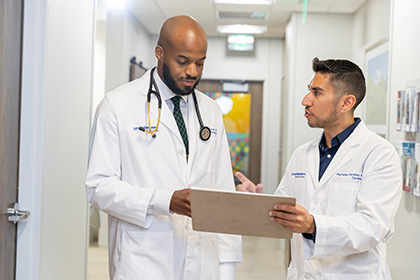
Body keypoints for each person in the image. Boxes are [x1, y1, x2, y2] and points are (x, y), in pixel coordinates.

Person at [86, 15, 241, 280]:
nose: (192, 71)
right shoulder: (117, 106)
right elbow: (99, 187)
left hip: (202, 261)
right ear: (160, 53)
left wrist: (227, 266)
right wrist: (164, 200)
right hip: (143, 261)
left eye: (200, 63)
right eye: (183, 61)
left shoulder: (211, 111)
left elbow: (222, 191)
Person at [236, 57, 402, 279]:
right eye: (309, 91)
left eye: (317, 93)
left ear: (346, 103)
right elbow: (285, 216)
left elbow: (372, 227)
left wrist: (313, 225)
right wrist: (258, 202)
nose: (305, 100)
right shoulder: (302, 155)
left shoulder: (380, 154)